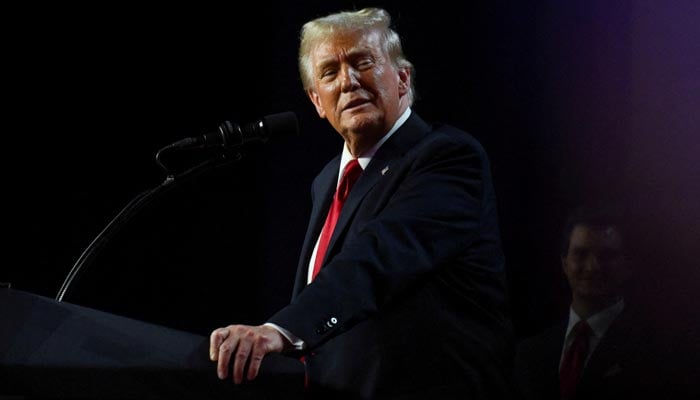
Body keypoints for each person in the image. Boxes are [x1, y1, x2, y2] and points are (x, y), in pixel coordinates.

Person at [209, 8, 513, 399]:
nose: (348, 81)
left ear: (403, 78)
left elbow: (378, 258)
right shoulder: (326, 182)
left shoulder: (447, 157)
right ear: (317, 101)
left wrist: (282, 330)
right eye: (329, 73)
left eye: (362, 62)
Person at [512, 204, 683, 400]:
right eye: (580, 254)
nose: (593, 267)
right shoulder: (530, 354)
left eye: (607, 255)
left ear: (628, 265)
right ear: (564, 263)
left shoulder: (659, 351)